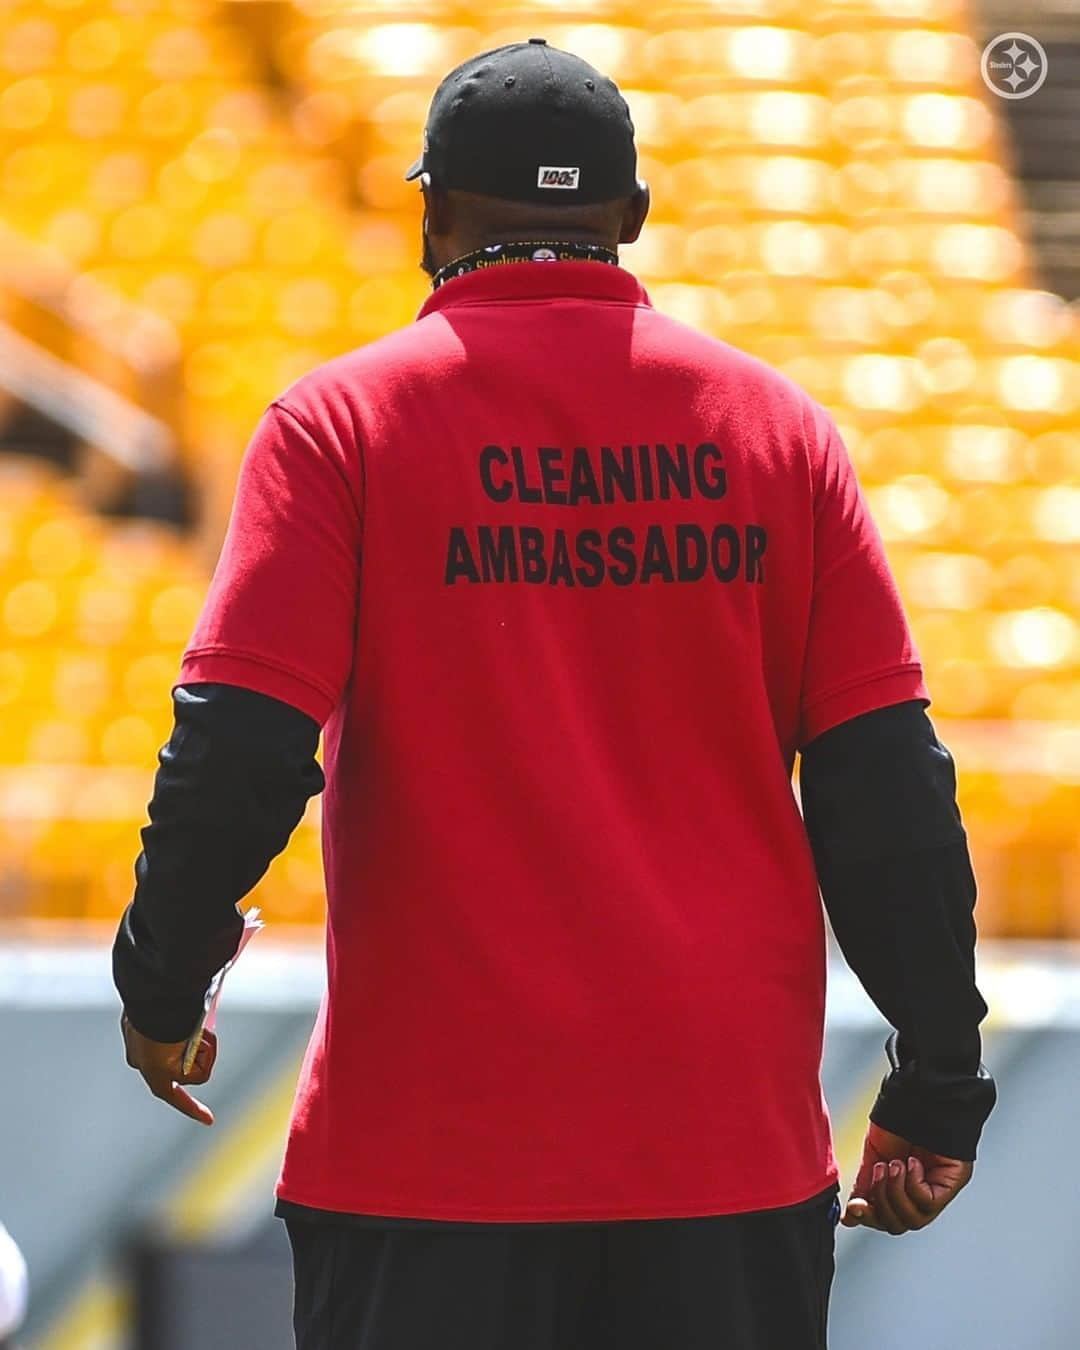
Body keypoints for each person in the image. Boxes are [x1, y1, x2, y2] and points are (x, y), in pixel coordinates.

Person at [113, 39, 996, 1350]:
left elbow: (240, 744)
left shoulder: (338, 427)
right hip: (725, 1172)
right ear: (629, 221)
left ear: (432, 217)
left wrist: (164, 986)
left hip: (424, 1174)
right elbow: (886, 784)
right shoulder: (779, 434)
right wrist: (937, 1076)